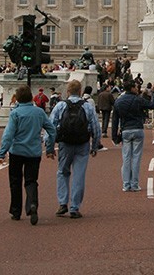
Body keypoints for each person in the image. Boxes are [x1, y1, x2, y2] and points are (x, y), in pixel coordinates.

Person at [0, 85, 56, 225]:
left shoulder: (15, 113)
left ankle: (16, 211)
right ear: (31, 97)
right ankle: (32, 204)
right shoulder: (39, 113)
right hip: (34, 152)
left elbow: (8, 135)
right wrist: (49, 148)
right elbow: (52, 130)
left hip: (17, 151)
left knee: (15, 181)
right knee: (31, 181)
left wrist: (2, 152)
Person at [49, 79, 101, 219]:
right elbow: (96, 127)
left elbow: (51, 126)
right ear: (80, 91)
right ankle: (75, 207)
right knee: (79, 175)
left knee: (62, 172)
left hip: (65, 143)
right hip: (82, 143)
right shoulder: (88, 106)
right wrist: (95, 145)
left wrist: (49, 146)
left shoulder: (60, 105)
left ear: (67, 91)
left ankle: (62, 203)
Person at [111, 81, 154, 192]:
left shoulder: (119, 101)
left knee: (126, 158)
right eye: (136, 87)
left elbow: (115, 120)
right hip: (137, 128)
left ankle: (126, 184)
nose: (137, 89)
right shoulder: (138, 99)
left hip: (126, 129)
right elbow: (153, 105)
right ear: (132, 88)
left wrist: (114, 136)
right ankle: (135, 184)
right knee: (136, 158)